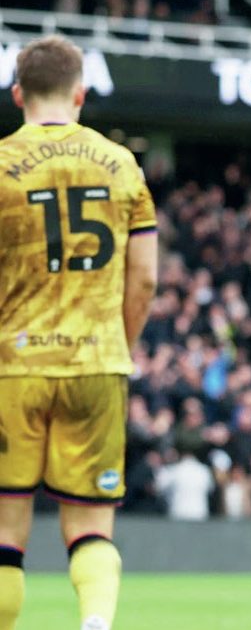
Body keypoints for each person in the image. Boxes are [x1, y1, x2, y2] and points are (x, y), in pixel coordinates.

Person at [0, 35, 159, 630]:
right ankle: (95, 623)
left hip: (13, 366)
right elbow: (144, 279)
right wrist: (119, 344)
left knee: (5, 533)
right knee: (90, 526)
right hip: (97, 361)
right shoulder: (123, 164)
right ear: (80, 94)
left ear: (17, 93)